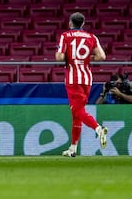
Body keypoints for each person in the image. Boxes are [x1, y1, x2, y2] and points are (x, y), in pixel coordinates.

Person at [55, 12, 108, 157]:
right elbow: (102, 56)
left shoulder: (65, 36)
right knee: (77, 113)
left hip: (73, 79)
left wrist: (67, 55)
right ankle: (73, 148)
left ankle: (98, 129)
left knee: (78, 111)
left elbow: (59, 57)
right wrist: (87, 57)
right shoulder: (92, 37)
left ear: (70, 23)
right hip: (87, 78)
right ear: (83, 24)